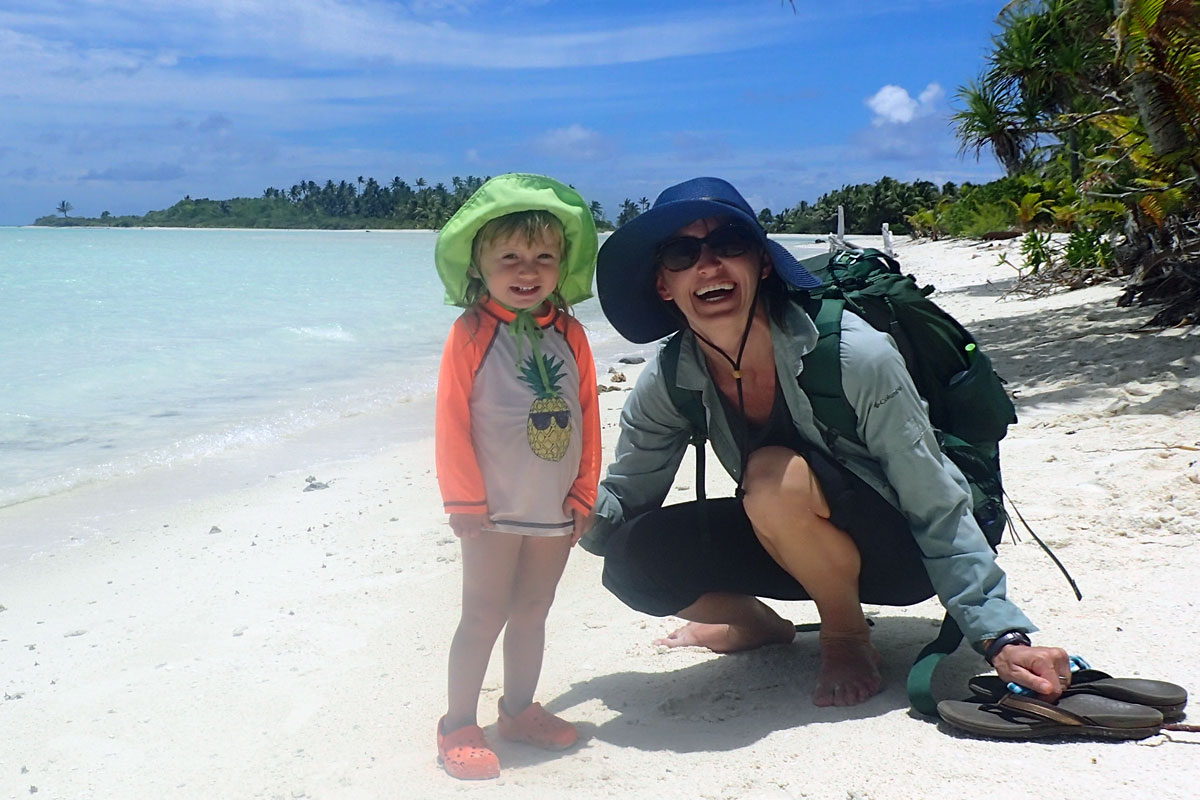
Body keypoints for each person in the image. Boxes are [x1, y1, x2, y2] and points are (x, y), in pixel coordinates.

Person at [580, 177, 1071, 708]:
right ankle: (756, 625)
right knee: (632, 560)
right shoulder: (671, 377)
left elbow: (934, 498)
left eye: (730, 245)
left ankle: (845, 634)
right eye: (682, 252)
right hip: (792, 543)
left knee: (769, 475)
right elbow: (626, 500)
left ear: (762, 264)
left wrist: (999, 634)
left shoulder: (854, 354)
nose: (708, 265)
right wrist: (559, 504)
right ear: (663, 285)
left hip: (899, 555)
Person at [433, 173, 600, 779]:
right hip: (492, 507)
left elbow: (587, 416)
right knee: (482, 613)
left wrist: (585, 488)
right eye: (510, 257)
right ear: (480, 265)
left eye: (543, 257)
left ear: (562, 266)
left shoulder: (571, 334)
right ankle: (457, 723)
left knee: (533, 609)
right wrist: (464, 500)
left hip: (554, 505)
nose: (527, 269)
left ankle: (520, 710)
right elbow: (451, 419)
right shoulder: (472, 333)